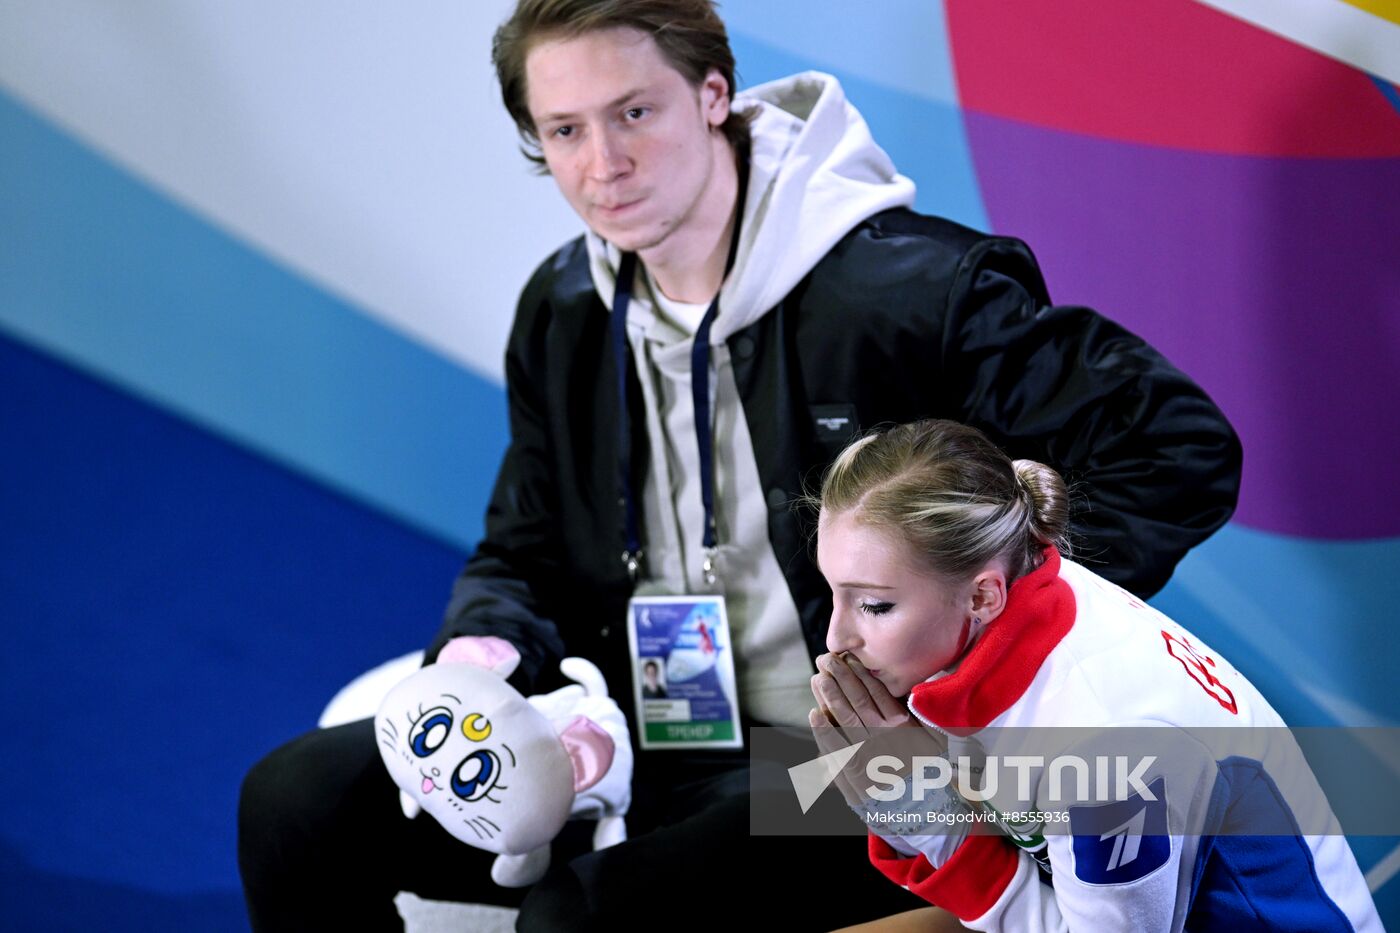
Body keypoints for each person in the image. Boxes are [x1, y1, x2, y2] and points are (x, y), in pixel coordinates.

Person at [238, 1, 1242, 929]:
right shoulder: (566, 310)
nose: (604, 165)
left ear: (713, 96)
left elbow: (1173, 450)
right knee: (296, 802)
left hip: (848, 754)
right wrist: (479, 668)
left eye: (634, 113)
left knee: (579, 920)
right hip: (633, 720)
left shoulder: (907, 291)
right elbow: (524, 546)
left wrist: (975, 652)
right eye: (565, 131)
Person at [809, 419, 1380, 932]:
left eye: (875, 606)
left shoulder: (1107, 747)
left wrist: (926, 815)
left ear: (983, 594)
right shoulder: (1019, 578)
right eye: (833, 591)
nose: (837, 638)